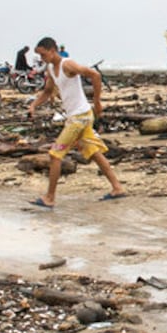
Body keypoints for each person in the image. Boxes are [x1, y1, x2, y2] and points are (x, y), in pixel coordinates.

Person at [26, 36, 124, 208]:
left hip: (80, 117)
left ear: (52, 50)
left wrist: (98, 102)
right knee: (93, 152)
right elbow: (48, 91)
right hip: (79, 116)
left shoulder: (67, 64)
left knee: (55, 155)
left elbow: (95, 75)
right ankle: (117, 188)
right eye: (39, 56)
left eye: (43, 55)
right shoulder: (50, 67)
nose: (42, 59)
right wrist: (34, 105)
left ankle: (50, 197)